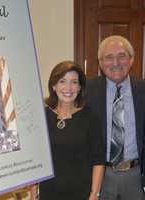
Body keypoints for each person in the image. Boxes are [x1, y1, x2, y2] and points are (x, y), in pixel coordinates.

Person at [85, 35, 145, 200]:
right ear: (100, 63)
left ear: (131, 60)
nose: (116, 63)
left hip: (135, 176)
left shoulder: (143, 90)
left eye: (122, 56)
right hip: (99, 176)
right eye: (109, 57)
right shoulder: (86, 91)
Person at [40, 61, 105, 200]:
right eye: (62, 81)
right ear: (53, 85)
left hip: (81, 193)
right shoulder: (43, 116)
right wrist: (35, 190)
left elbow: (98, 160)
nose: (68, 88)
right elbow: (37, 156)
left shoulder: (90, 118)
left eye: (74, 82)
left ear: (80, 87)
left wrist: (95, 194)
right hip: (48, 192)